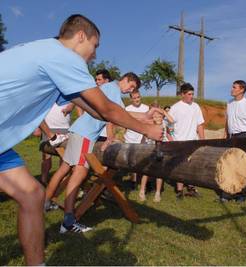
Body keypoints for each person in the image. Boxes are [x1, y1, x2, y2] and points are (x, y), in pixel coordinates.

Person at [0, 14, 162, 265]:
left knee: (32, 195)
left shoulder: (49, 54)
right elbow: (106, 110)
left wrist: (141, 122)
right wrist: (146, 130)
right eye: (95, 46)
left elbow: (96, 110)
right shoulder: (63, 57)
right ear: (80, 37)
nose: (95, 55)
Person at [45, 73, 154, 234]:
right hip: (86, 135)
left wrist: (144, 117)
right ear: (125, 79)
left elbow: (121, 114)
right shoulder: (113, 89)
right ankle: (68, 222)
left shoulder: (109, 88)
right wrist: (144, 120)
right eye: (131, 87)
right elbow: (120, 115)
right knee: (79, 173)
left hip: (77, 131)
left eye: (133, 90)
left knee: (64, 169)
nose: (129, 91)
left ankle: (43, 203)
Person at [221, 80, 246, 202]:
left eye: (234, 87)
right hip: (231, 137)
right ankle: (228, 192)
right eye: (232, 86)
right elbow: (227, 122)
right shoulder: (229, 103)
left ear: (242, 89)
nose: (231, 89)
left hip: (243, 137)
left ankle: (241, 194)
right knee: (229, 165)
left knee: (242, 167)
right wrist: (225, 135)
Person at [169, 83, 205, 199]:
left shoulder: (196, 107)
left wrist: (202, 140)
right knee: (180, 167)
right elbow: (167, 125)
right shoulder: (175, 108)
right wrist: (172, 141)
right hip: (179, 141)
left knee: (192, 166)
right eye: (189, 94)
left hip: (193, 142)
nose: (191, 96)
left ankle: (192, 188)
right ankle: (179, 191)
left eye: (192, 94)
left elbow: (200, 124)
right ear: (182, 94)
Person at [138, 103, 174, 202]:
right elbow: (143, 133)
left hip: (162, 148)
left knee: (159, 171)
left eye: (160, 115)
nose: (158, 117)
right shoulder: (149, 123)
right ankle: (142, 191)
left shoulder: (164, 123)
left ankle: (158, 193)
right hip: (150, 148)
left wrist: (164, 112)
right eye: (155, 115)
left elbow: (171, 120)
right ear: (152, 116)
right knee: (147, 171)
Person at [39, 103, 74, 185]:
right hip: (48, 128)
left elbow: (76, 101)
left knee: (64, 157)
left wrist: (71, 106)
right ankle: (43, 180)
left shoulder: (68, 92)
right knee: (46, 157)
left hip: (65, 128)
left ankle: (62, 180)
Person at [123, 90, 150, 189]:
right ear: (131, 99)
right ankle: (133, 181)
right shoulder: (127, 109)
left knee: (144, 160)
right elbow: (124, 124)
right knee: (132, 161)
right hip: (130, 138)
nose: (137, 99)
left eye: (138, 97)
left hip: (144, 139)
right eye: (134, 98)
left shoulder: (147, 108)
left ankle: (145, 182)